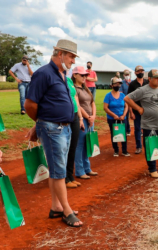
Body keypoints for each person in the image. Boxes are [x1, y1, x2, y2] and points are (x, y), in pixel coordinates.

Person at [24, 39, 83, 227]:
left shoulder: (62, 74)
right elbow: (30, 105)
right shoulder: (43, 74)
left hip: (63, 127)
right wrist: (40, 123)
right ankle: (66, 211)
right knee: (59, 171)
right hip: (52, 129)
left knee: (57, 169)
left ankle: (56, 206)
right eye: (71, 56)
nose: (73, 61)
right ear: (60, 54)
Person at [124, 69, 158, 178]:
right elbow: (127, 98)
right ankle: (152, 169)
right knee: (151, 147)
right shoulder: (143, 90)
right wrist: (138, 109)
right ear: (150, 79)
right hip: (149, 125)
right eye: (156, 78)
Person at [72, 66, 98, 179]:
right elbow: (78, 105)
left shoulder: (85, 88)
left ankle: (87, 168)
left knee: (87, 145)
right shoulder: (74, 89)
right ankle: (79, 170)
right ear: (75, 75)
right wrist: (88, 117)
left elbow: (93, 103)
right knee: (80, 145)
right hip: (81, 120)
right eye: (82, 75)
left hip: (90, 120)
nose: (84, 77)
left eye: (85, 75)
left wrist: (93, 117)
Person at [66, 76, 85, 188]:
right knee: (65, 148)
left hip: (75, 116)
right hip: (65, 116)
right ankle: (64, 178)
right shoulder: (55, 78)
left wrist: (80, 118)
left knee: (73, 147)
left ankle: (70, 176)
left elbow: (76, 100)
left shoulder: (68, 80)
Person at [104, 77, 130, 157]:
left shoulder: (122, 95)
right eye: (115, 84)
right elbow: (105, 108)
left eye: (119, 84)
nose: (117, 85)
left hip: (122, 118)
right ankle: (116, 150)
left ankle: (124, 150)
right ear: (111, 85)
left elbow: (126, 106)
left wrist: (124, 115)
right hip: (112, 119)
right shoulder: (108, 96)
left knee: (123, 134)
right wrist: (114, 115)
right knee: (114, 134)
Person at [127, 65, 149, 154]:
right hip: (136, 110)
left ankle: (148, 146)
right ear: (135, 73)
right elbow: (129, 99)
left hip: (147, 110)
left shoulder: (148, 82)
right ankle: (138, 147)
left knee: (147, 129)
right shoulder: (132, 84)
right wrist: (131, 112)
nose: (140, 72)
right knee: (137, 129)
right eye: (138, 71)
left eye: (142, 71)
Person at [120, 69, 132, 136]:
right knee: (126, 116)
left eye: (128, 74)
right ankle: (128, 130)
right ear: (124, 75)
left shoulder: (133, 82)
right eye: (126, 75)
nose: (127, 76)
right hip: (125, 102)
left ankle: (140, 131)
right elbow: (121, 93)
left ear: (130, 75)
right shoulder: (122, 83)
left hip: (133, 102)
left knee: (136, 116)